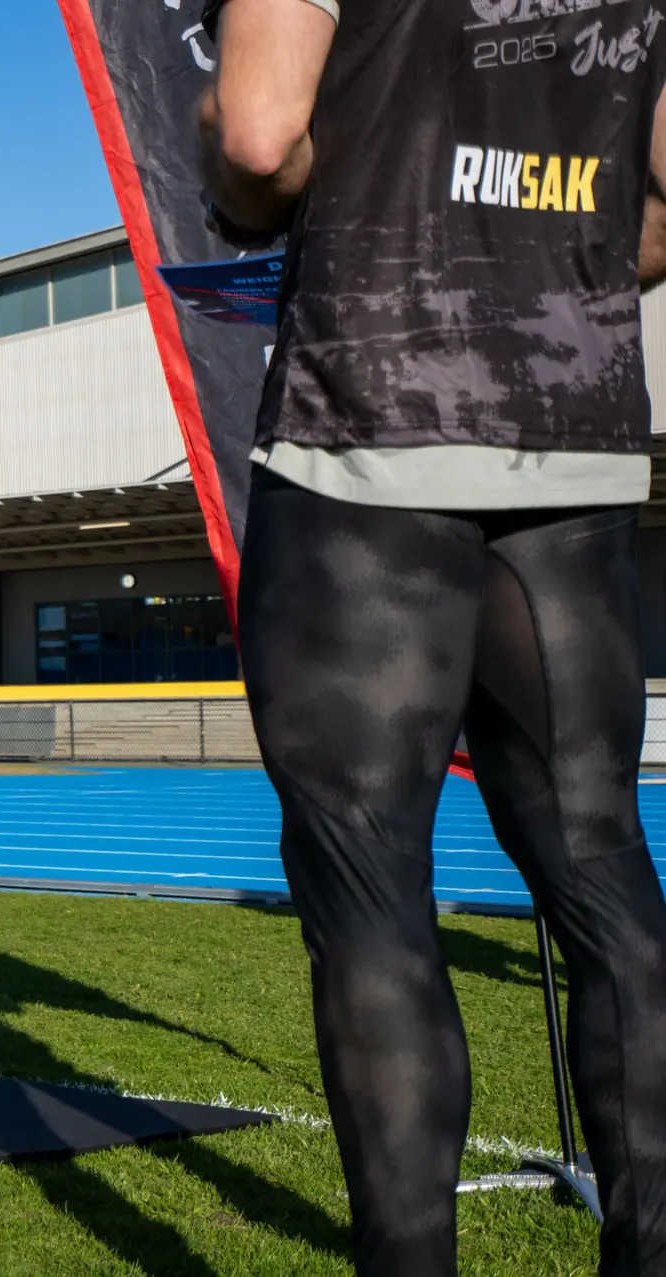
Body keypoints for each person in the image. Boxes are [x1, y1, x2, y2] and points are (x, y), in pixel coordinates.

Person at [199, 1, 666, 1270]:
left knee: (369, 889)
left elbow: (257, 136)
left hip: (373, 425)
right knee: (604, 866)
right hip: (573, 430)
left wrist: (223, 163)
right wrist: (548, 283)